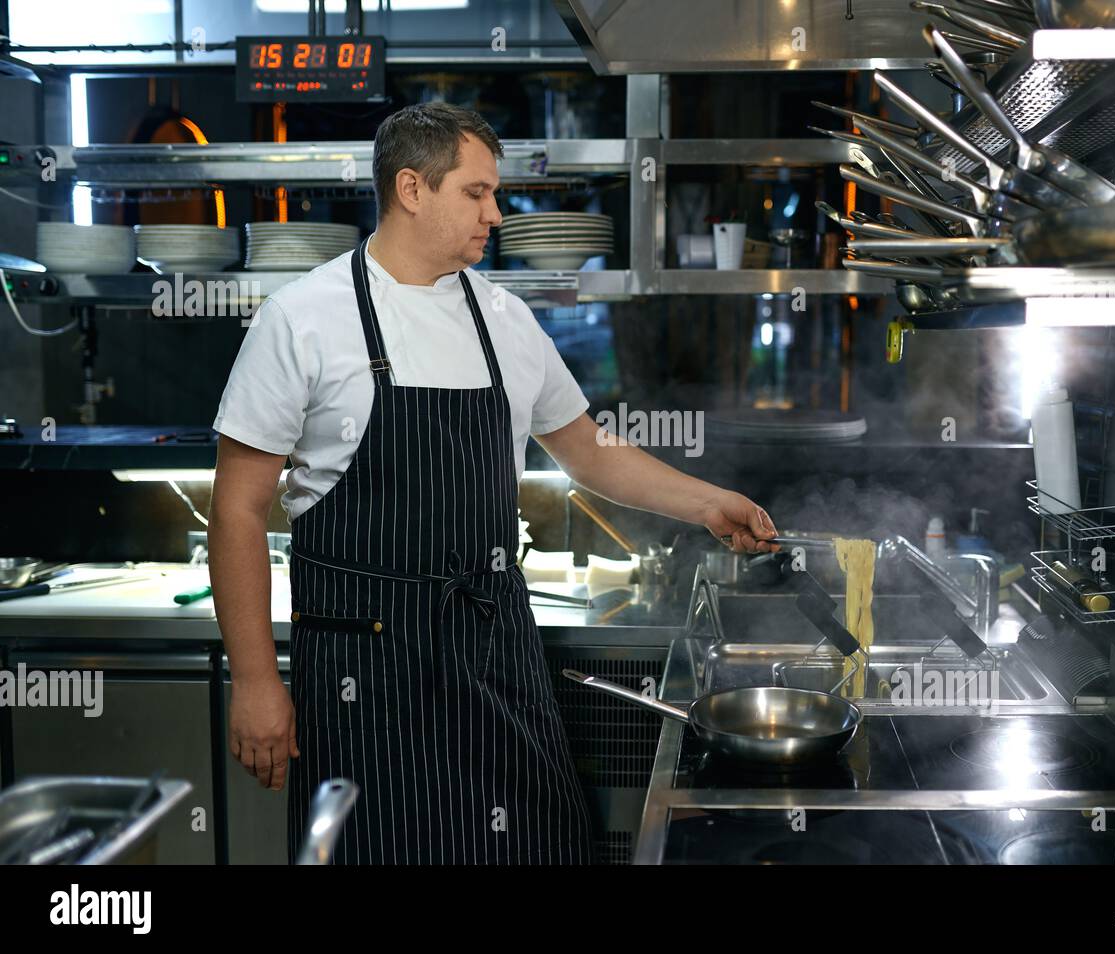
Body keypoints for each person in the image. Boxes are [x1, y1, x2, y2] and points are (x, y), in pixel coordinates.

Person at [208, 102, 778, 864]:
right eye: (477, 193)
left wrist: (709, 503)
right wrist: (253, 680)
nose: (497, 215)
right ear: (412, 189)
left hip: (494, 655)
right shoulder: (303, 318)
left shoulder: (504, 319)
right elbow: (238, 509)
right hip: (367, 673)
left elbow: (590, 450)